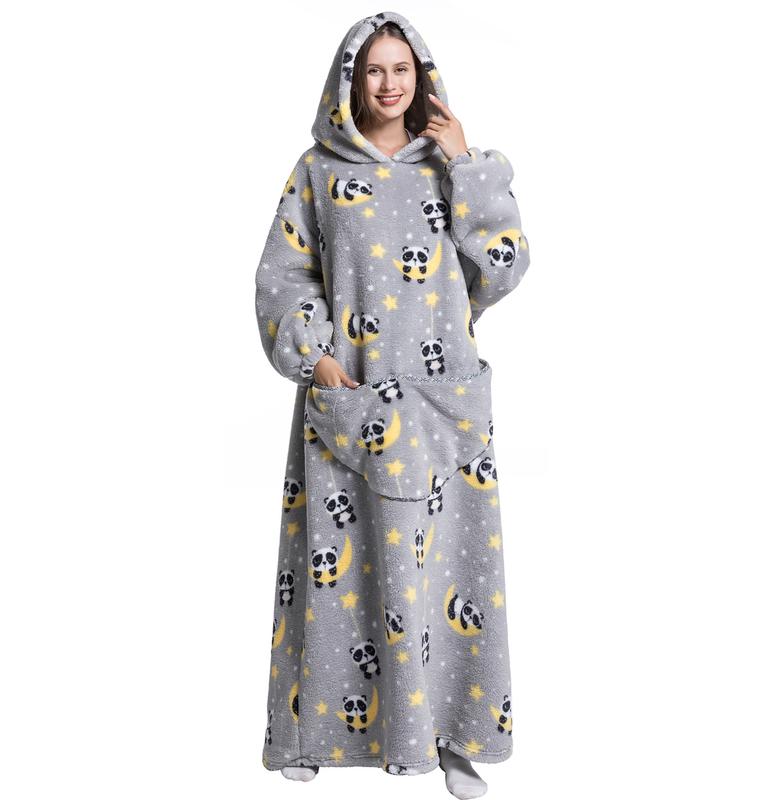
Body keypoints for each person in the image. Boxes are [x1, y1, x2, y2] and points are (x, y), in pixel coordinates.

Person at [255, 10, 530, 799]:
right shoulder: (317, 171)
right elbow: (282, 277)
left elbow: (502, 266)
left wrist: (466, 164)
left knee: (450, 573)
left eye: (400, 69)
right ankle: (314, 729)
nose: (387, 84)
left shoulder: (453, 166)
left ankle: (455, 735)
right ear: (349, 79)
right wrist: (318, 358)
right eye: (373, 70)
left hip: (441, 405)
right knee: (334, 571)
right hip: (350, 399)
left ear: (422, 76)